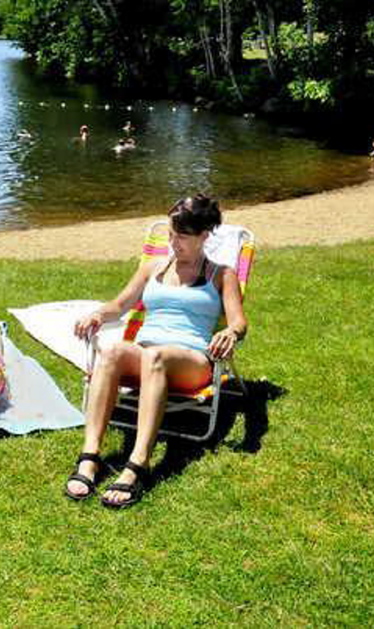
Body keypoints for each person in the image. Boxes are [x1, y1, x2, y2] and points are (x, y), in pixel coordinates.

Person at [65, 194, 248, 508]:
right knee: (112, 352)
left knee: (155, 356)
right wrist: (98, 314)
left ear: (205, 236)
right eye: (171, 234)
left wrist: (230, 332)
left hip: (191, 361)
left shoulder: (222, 274)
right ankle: (90, 456)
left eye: (183, 237)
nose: (174, 242)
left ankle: (138, 463)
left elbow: (239, 322)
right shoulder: (153, 266)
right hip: (148, 356)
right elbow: (119, 305)